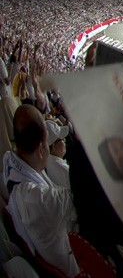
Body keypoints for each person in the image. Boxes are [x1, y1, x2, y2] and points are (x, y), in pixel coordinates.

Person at [3, 104, 78, 276]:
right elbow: (79, 196)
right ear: (41, 150)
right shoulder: (36, 199)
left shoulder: (10, 162)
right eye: (46, 143)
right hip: (72, 269)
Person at [45, 119, 70, 188]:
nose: (64, 140)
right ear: (54, 145)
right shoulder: (65, 171)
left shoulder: (46, 162)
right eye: (62, 138)